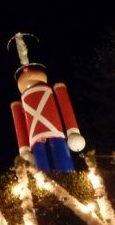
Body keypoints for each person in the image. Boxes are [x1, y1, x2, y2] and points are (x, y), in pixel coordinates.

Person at [8, 33, 85, 172]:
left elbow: (63, 100)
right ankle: (47, 187)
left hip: (55, 133)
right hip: (36, 139)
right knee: (42, 167)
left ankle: (66, 179)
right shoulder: (22, 101)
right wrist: (24, 149)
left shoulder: (51, 90)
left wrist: (73, 131)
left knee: (63, 162)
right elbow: (19, 117)